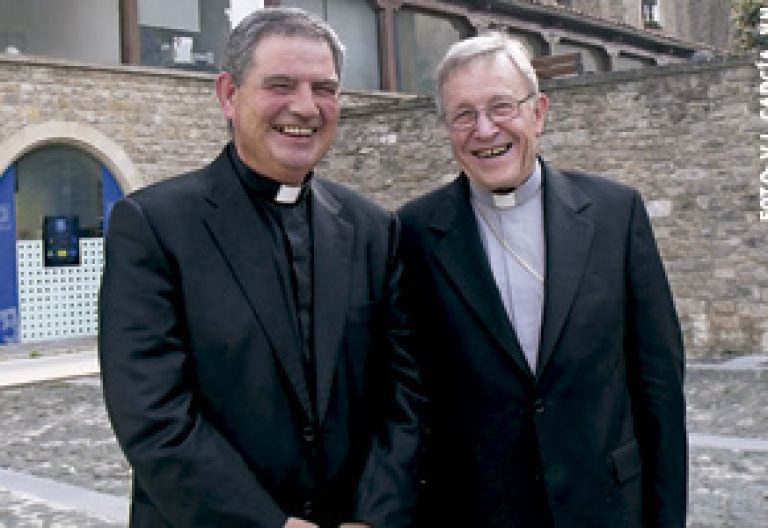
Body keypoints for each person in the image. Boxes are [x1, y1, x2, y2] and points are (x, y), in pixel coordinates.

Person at [99, 8, 422, 528]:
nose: (306, 107)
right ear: (228, 95)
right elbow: (153, 413)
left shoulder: (372, 229)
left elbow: (405, 395)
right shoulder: (154, 226)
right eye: (280, 85)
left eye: (324, 88)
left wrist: (373, 515)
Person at [398, 32, 686, 527]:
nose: (484, 130)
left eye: (501, 106)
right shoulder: (414, 232)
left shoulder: (615, 215)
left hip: (606, 507)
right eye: (463, 114)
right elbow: (412, 397)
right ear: (446, 127)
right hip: (479, 511)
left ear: (539, 111)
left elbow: (659, 385)